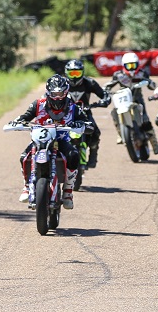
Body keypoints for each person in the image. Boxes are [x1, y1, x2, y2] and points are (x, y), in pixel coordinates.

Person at [9, 75, 85, 209]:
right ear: (48, 92)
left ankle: (68, 191)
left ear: (66, 92)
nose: (57, 97)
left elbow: (84, 120)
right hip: (40, 141)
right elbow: (25, 116)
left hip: (61, 140)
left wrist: (82, 123)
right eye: (54, 93)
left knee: (73, 155)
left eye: (60, 93)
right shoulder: (38, 104)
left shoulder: (73, 106)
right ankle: (27, 187)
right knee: (24, 157)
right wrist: (18, 121)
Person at [104, 51, 158, 154]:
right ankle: (121, 133)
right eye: (128, 65)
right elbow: (109, 85)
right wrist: (105, 90)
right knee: (114, 112)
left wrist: (148, 82)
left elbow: (152, 85)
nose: (131, 68)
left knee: (145, 119)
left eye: (133, 65)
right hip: (123, 100)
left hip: (137, 99)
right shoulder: (118, 75)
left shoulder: (142, 73)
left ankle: (154, 143)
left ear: (137, 64)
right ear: (124, 65)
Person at [64, 58, 107, 168]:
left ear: (82, 72)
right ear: (66, 73)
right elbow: (49, 95)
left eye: (77, 73)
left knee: (95, 132)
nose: (74, 76)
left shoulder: (89, 83)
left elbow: (103, 94)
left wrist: (105, 100)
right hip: (66, 115)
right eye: (71, 73)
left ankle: (93, 155)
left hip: (85, 113)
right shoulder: (62, 84)